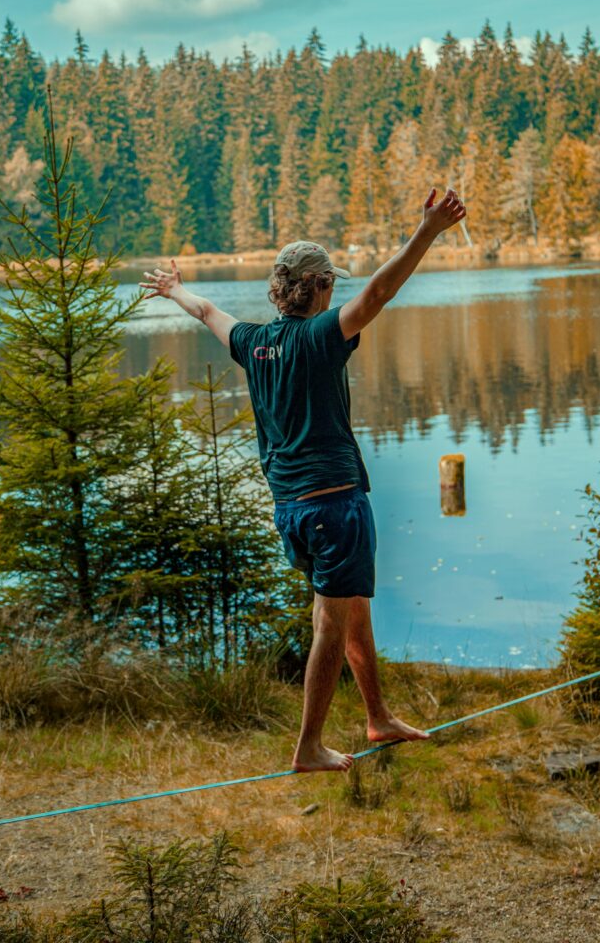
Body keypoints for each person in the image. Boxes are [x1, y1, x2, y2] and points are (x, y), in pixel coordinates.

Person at [140, 186, 467, 773]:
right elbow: (379, 293)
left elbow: (207, 313)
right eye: (330, 283)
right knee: (328, 623)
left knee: (350, 610)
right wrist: (427, 232)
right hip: (334, 507)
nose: (335, 291)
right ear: (315, 286)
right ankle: (308, 746)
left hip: (292, 508)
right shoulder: (320, 338)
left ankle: (378, 717)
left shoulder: (254, 343)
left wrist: (173, 289)